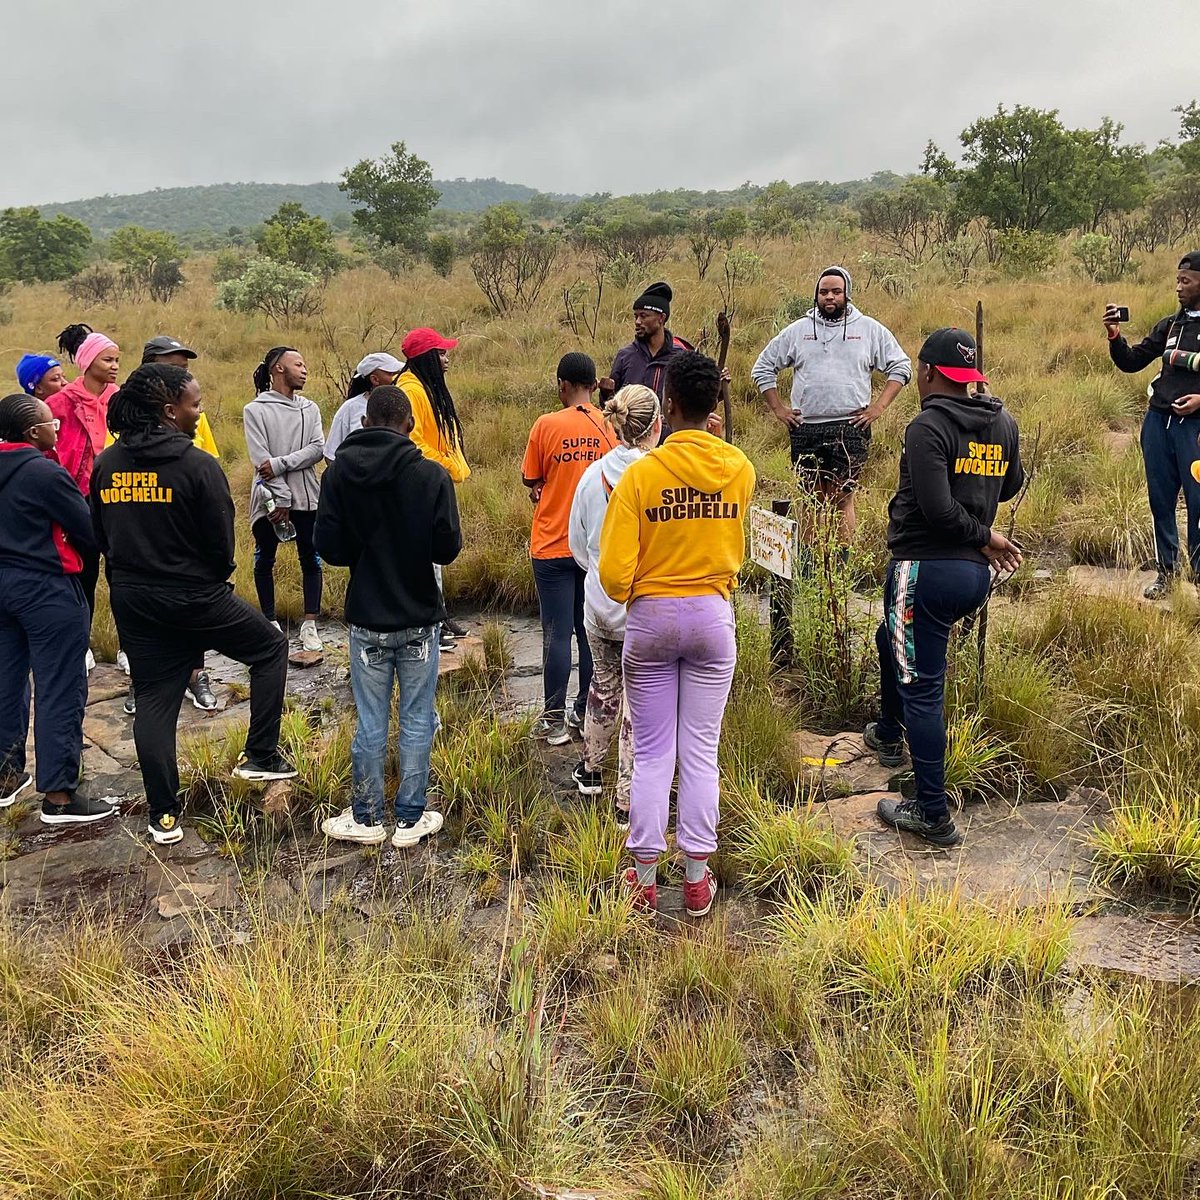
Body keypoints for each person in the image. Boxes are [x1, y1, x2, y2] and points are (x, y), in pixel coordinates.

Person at [91, 364, 294, 846]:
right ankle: (261, 754)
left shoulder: (107, 463)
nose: (198, 412)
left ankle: (164, 816)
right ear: (169, 410)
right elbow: (221, 548)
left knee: (156, 699)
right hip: (196, 595)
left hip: (133, 599)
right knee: (269, 649)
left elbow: (101, 536)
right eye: (195, 404)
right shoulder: (198, 465)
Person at [599, 351, 755, 919]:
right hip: (714, 618)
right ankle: (695, 880)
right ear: (714, 405)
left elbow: (615, 577)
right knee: (700, 752)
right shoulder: (738, 468)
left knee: (652, 753)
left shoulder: (640, 474)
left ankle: (642, 878)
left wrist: (649, 588)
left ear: (668, 403)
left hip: (651, 622)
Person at [864, 328, 1023, 848]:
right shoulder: (1002, 420)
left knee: (923, 687)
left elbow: (935, 509)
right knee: (891, 639)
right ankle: (889, 732)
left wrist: (984, 534)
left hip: (924, 570)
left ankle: (932, 811)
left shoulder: (927, 426)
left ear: (928, 373)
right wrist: (983, 515)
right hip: (972, 577)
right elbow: (1013, 482)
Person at [315, 385, 462, 847]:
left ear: (363, 423)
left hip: (367, 618)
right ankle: (410, 818)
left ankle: (366, 817)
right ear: (410, 425)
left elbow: (329, 548)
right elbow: (447, 547)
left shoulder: (338, 475)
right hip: (419, 615)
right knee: (418, 716)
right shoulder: (431, 475)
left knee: (370, 719)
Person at [0, 393, 116, 825]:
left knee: (7, 681)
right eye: (53, 424)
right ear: (33, 432)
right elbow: (87, 529)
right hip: (45, 587)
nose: (58, 429)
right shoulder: (44, 471)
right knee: (60, 686)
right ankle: (60, 796)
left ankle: (6, 777)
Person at [751, 266, 911, 544]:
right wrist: (778, 409)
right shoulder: (799, 331)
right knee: (812, 498)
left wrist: (878, 408)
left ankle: (841, 566)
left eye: (836, 292)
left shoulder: (869, 329)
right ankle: (812, 566)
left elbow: (901, 366)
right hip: (806, 428)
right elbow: (763, 367)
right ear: (816, 295)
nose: (829, 297)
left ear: (847, 295)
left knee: (842, 498)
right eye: (823, 292)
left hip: (850, 428)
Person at [568, 384, 662, 823]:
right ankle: (628, 800)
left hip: (600, 604)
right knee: (638, 706)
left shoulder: (592, 476)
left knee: (603, 688)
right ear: (656, 425)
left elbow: (577, 548)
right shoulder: (660, 476)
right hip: (645, 608)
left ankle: (590, 770)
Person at [522, 352, 616, 744]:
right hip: (595, 546)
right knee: (587, 631)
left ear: (562, 385)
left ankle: (553, 718)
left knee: (556, 632)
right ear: (594, 385)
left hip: (552, 544)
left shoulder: (546, 425)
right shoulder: (610, 427)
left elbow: (532, 479)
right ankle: (584, 710)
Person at [130, 335, 222, 713]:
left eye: (184, 368)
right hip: (143, 526)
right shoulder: (127, 411)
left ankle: (196, 673)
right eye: (174, 366)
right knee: (142, 614)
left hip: (187, 521)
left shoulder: (190, 409)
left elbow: (209, 457)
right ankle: (143, 680)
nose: (183, 373)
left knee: (193, 605)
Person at [1105, 253, 1200, 598]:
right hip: (1158, 424)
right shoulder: (1170, 325)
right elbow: (1132, 362)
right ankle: (1168, 574)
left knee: (1198, 503)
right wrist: (1115, 337)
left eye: (1186, 281)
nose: (1179, 287)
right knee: (1161, 501)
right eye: (1177, 280)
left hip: (1195, 430)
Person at [243, 346, 325, 651]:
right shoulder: (256, 410)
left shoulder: (310, 408)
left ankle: (310, 624)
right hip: (269, 500)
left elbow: (318, 448)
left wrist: (282, 463)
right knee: (265, 557)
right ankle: (270, 622)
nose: (304, 370)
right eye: (298, 364)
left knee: (311, 558)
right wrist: (280, 499)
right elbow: (259, 458)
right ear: (278, 369)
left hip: (306, 496)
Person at [51, 324, 121, 662]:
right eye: (107, 359)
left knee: (121, 571)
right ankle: (82, 645)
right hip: (77, 497)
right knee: (83, 572)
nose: (114, 366)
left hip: (117, 494)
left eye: (116, 360)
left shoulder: (119, 399)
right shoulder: (59, 403)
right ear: (88, 361)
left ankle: (128, 646)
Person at [397, 327, 469, 648]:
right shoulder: (410, 390)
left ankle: (438, 616)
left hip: (432, 484)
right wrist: (448, 464)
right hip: (417, 487)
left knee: (434, 561)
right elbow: (412, 442)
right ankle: (431, 626)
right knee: (425, 562)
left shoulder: (424, 387)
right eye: (440, 353)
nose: (446, 358)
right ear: (426, 357)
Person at [324, 352, 404, 464]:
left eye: (398, 373)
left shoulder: (402, 406)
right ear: (375, 379)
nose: (397, 378)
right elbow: (331, 455)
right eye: (392, 374)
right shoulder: (350, 408)